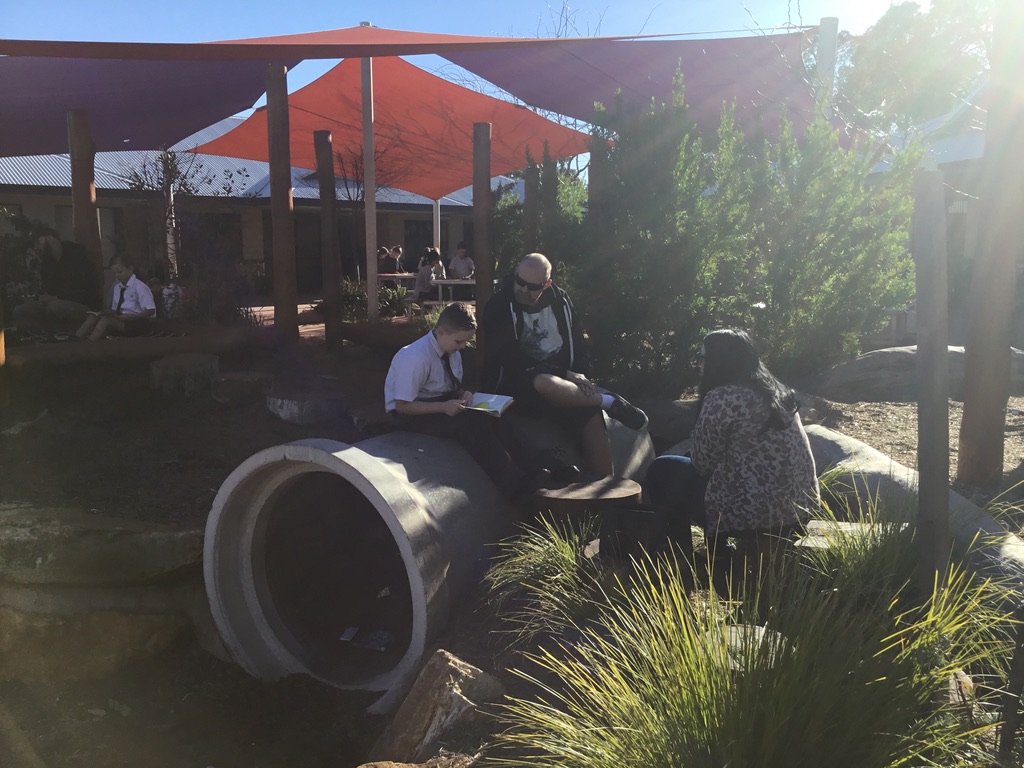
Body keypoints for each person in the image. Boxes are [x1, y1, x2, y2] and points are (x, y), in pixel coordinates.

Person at [645, 329, 820, 572]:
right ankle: (716, 549)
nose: (698, 363)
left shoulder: (723, 397)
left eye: (702, 357)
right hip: (799, 510)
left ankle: (681, 554)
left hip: (756, 516)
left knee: (662, 470)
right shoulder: (776, 391)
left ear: (719, 361)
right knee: (688, 464)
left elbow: (702, 463)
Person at [480, 252, 648, 477]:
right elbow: (510, 362)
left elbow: (577, 342)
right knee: (543, 382)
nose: (523, 289)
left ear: (546, 284)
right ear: (516, 272)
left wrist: (581, 375)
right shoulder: (499, 306)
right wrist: (566, 374)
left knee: (590, 415)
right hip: (521, 386)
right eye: (520, 281)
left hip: (564, 384)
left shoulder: (561, 300)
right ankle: (607, 401)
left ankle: (606, 487)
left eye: (532, 286)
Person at [384, 302, 545, 500]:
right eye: (459, 341)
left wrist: (463, 393)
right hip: (411, 413)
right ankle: (513, 486)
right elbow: (402, 406)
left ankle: (532, 466)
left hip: (441, 401)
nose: (462, 346)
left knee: (496, 413)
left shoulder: (452, 351)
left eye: (466, 341)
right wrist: (442, 407)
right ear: (441, 332)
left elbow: (448, 385)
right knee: (471, 424)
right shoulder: (414, 357)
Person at [12, 235, 101, 331]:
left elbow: (86, 293)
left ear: (50, 238)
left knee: (54, 307)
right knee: (19, 310)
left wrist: (56, 297)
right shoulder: (47, 263)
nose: (35, 247)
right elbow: (48, 288)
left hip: (82, 304)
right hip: (53, 302)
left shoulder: (78, 258)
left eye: (38, 242)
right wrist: (42, 296)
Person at [75, 255, 156, 341]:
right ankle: (75, 340)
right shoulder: (117, 287)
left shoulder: (140, 287)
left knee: (106, 321)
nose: (117, 276)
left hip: (138, 323)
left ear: (130, 269)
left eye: (120, 272)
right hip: (121, 319)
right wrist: (105, 313)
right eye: (114, 273)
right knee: (92, 317)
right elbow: (115, 309)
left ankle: (89, 343)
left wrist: (131, 316)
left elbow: (151, 311)